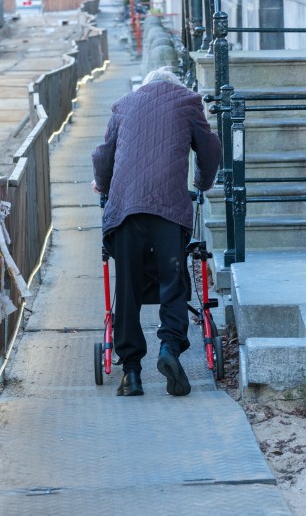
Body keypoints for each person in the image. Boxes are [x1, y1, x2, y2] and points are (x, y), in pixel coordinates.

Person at [91, 67, 222, 397]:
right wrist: (202, 183)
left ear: (146, 86)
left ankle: (131, 373)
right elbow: (210, 149)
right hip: (168, 210)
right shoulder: (188, 102)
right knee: (173, 283)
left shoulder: (123, 104)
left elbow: (103, 154)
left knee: (128, 289)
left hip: (126, 211)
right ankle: (169, 349)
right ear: (173, 86)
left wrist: (102, 186)